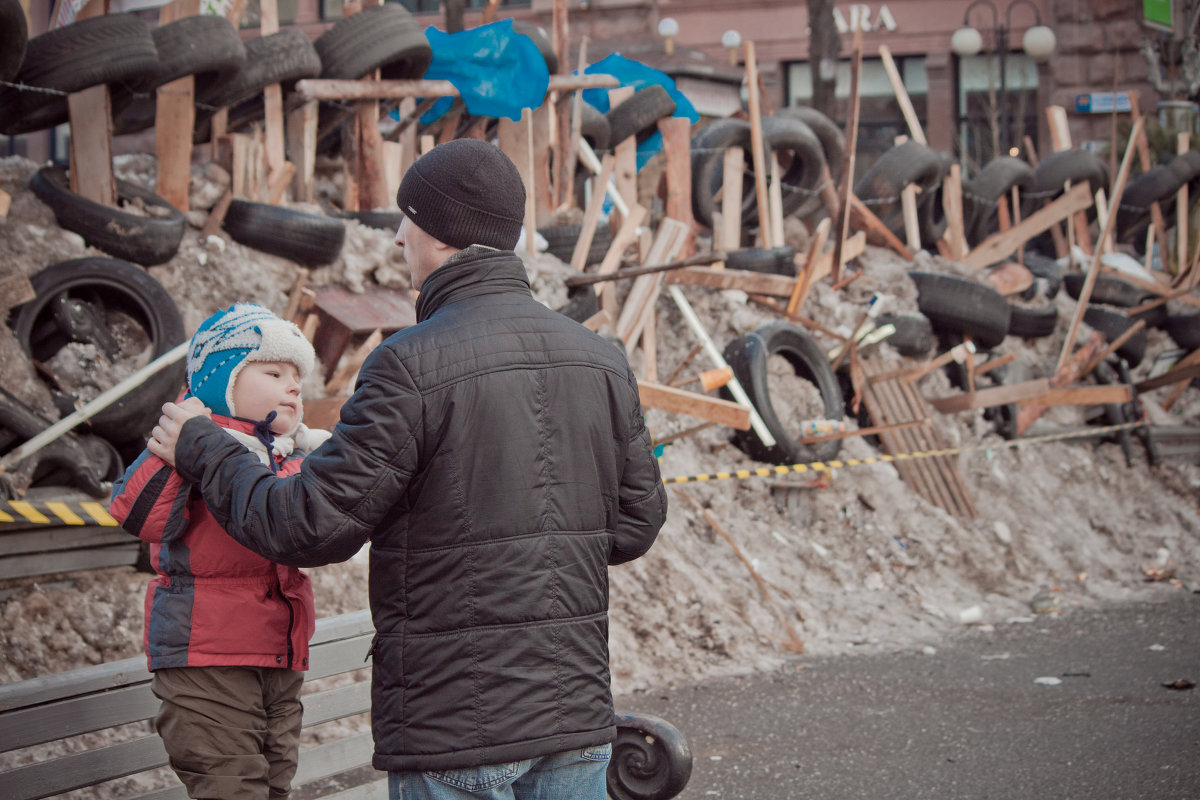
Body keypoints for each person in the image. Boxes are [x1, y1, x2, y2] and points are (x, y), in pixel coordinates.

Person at [145, 138, 668, 800]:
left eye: (409, 220)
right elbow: (636, 523)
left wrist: (203, 446)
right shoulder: (601, 358)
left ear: (444, 236)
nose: (397, 238)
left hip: (454, 726)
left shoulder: (409, 365)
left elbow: (309, 526)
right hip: (574, 723)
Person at [110, 303, 331, 800]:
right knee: (231, 787)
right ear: (220, 380)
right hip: (206, 658)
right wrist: (186, 447)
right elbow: (137, 516)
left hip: (277, 658)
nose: (292, 386)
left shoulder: (292, 454)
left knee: (274, 786)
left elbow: (305, 522)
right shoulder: (188, 442)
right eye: (273, 371)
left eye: (297, 376)